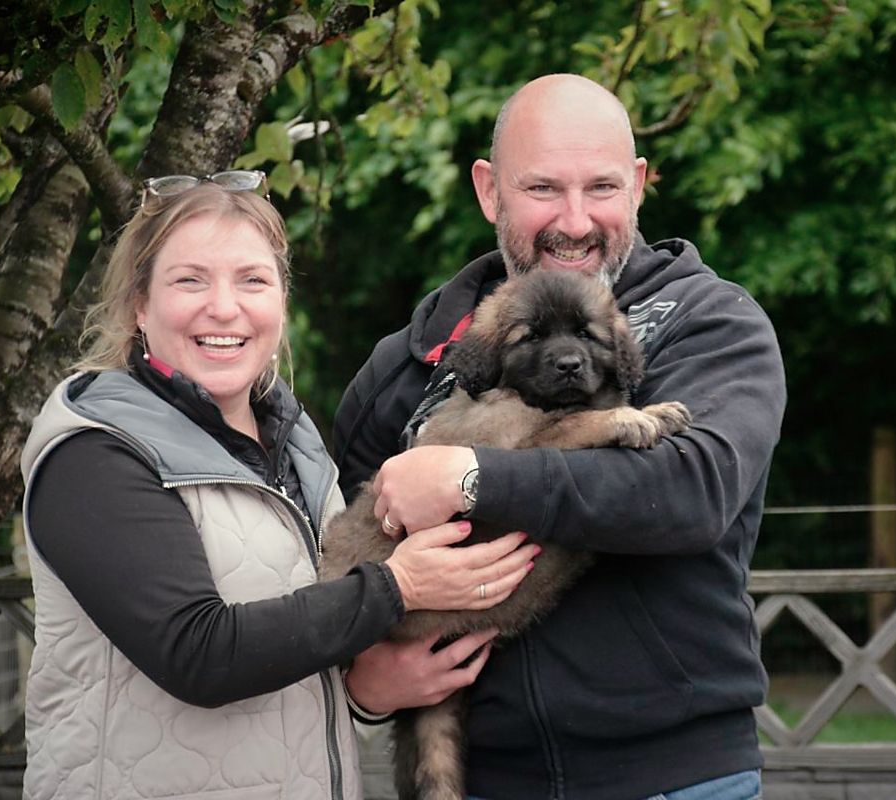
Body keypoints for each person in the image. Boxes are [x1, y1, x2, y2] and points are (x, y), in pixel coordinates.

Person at [333, 75, 786, 799]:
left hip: (671, 777)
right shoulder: (408, 361)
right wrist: (366, 681)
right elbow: (339, 538)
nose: (574, 221)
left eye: (601, 187)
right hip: (481, 778)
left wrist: (471, 478)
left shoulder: (709, 323)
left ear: (638, 185)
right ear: (489, 191)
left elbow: (688, 492)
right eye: (543, 188)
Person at [18, 172, 538, 800]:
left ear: (281, 301)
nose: (224, 307)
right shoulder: (95, 450)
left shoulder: (295, 442)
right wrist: (399, 587)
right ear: (138, 303)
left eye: (252, 280)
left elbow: (299, 642)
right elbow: (198, 653)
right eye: (190, 280)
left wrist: (365, 694)